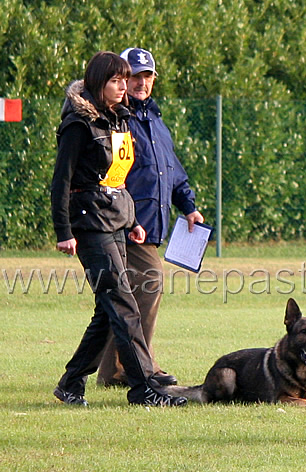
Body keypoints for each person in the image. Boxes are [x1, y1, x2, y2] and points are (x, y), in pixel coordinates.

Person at [50, 51, 187, 407]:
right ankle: (145, 389)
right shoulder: (78, 125)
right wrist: (64, 231)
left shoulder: (119, 121)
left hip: (117, 221)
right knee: (123, 305)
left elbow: (118, 179)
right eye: (117, 80)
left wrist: (133, 222)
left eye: (125, 80)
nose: (124, 86)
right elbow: (60, 182)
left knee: (107, 310)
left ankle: (70, 383)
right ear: (98, 84)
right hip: (89, 224)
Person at [95, 47, 204, 388]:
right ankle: (141, 364)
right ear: (123, 80)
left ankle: (114, 370)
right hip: (125, 224)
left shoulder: (155, 122)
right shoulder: (118, 119)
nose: (142, 82)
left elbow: (173, 172)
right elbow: (109, 174)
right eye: (134, 76)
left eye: (147, 76)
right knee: (150, 281)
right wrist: (123, 216)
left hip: (150, 226)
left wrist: (188, 205)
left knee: (121, 298)